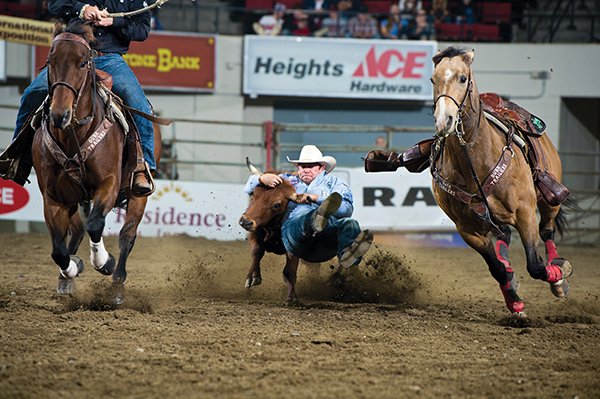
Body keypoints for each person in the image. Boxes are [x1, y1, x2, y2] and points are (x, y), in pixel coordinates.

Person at [1, 0, 155, 195]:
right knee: (32, 93)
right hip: (72, 54)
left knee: (139, 104)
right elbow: (55, 4)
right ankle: (18, 159)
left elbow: (142, 30)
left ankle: (143, 167)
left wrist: (113, 23)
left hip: (109, 57)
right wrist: (82, 9)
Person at [244, 145, 373, 268]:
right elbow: (249, 187)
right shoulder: (285, 180)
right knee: (304, 218)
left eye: (311, 166)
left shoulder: (335, 183)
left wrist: (315, 198)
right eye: (302, 166)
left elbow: (347, 209)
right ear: (298, 168)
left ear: (321, 168)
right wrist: (262, 178)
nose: (306, 169)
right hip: (294, 234)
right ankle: (315, 218)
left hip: (324, 240)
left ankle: (347, 255)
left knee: (350, 224)